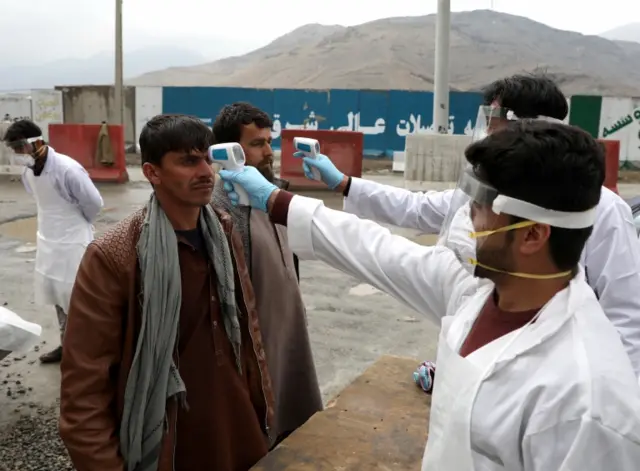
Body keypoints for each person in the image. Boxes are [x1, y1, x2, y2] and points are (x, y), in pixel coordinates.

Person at [219, 120, 640, 470]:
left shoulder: (587, 402)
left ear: (532, 234)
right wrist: (275, 200)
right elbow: (379, 251)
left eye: (481, 204)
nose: (465, 214)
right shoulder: (477, 291)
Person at [300, 74, 640, 380]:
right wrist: (344, 183)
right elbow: (418, 208)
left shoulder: (603, 209)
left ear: (529, 126)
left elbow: (626, 315)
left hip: (550, 376)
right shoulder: (487, 190)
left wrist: (612, 391)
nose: (486, 131)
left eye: (493, 120)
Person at [59, 114, 276, 471]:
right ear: (152, 172)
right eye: (188, 161)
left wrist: (265, 406)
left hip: (237, 426)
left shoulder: (222, 230)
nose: (206, 171)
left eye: (207, 159)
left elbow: (249, 330)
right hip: (168, 439)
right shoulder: (114, 257)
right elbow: (84, 388)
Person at [212, 102, 322, 444]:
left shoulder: (273, 195)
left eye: (269, 142)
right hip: (256, 339)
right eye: (257, 144)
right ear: (231, 151)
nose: (268, 152)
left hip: (288, 325)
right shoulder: (222, 208)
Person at [3, 119, 103, 363]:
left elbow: (94, 204)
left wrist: (75, 227)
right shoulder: (29, 171)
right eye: (13, 149)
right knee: (58, 300)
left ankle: (86, 354)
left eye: (19, 147)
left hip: (72, 245)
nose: (17, 154)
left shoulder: (67, 169)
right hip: (48, 243)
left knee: (78, 300)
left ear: (35, 142)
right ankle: (66, 345)